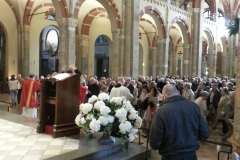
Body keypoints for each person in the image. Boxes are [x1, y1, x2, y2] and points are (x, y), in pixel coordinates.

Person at [150, 84, 209, 160]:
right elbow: (205, 133)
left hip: (170, 155)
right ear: (178, 93)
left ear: (164, 96)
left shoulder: (161, 111)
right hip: (190, 155)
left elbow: (154, 142)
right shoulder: (193, 107)